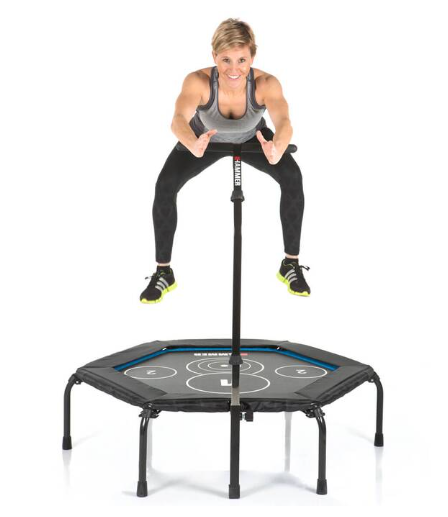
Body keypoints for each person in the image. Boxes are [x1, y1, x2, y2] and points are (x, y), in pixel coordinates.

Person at [140, 18, 310, 304]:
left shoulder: (266, 84)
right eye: (226, 60)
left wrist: (278, 147)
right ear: (214, 56)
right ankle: (163, 271)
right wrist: (192, 143)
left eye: (242, 60)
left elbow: (284, 122)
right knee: (165, 185)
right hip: (204, 140)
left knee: (293, 177)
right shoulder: (198, 81)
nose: (234, 69)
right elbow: (178, 119)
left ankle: (290, 264)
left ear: (252, 57)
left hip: (254, 139)